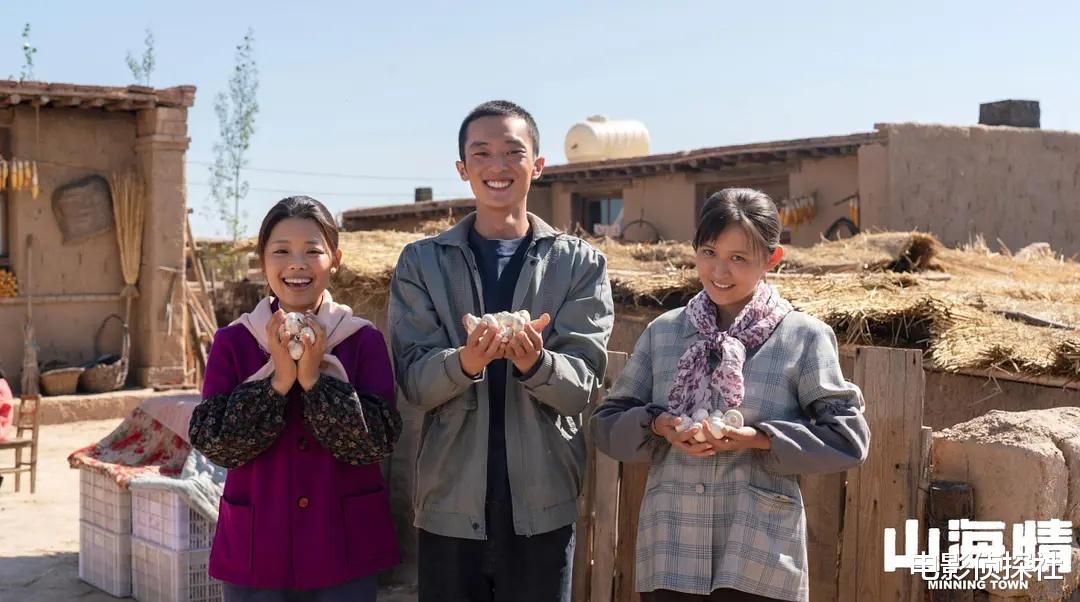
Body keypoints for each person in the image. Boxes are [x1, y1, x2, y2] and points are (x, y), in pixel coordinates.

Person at [590, 188, 871, 602]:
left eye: (738, 258)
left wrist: (758, 439)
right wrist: (659, 425)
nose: (719, 271)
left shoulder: (803, 337)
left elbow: (849, 438)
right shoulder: (664, 333)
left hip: (759, 557)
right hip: (671, 550)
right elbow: (606, 424)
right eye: (709, 252)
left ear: (771, 259)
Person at [389, 100, 614, 601]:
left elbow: (581, 389)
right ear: (462, 169)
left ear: (537, 165)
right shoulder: (422, 263)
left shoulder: (579, 264)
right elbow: (414, 383)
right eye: (482, 153)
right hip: (449, 501)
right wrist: (467, 361)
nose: (498, 166)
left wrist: (535, 363)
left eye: (514, 151)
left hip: (542, 503)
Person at [189, 195, 402, 602]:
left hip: (342, 544)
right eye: (281, 250)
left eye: (313, 250)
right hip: (259, 550)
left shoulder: (362, 340)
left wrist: (315, 381)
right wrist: (279, 383)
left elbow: (378, 440)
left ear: (335, 259)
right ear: (262, 259)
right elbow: (215, 442)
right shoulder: (234, 341)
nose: (297, 264)